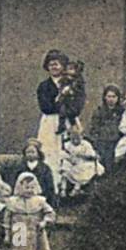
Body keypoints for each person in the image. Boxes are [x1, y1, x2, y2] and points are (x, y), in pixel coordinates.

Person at [6, 171, 55, 250]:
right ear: (19, 187)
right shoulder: (13, 202)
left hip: (35, 231)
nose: (29, 190)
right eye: (26, 187)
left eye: (32, 187)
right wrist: (7, 234)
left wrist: (44, 222)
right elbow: (7, 219)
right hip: (19, 230)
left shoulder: (39, 201)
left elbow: (50, 213)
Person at [35, 49, 70, 186]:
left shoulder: (69, 84)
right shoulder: (44, 86)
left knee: (67, 150)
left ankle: (66, 187)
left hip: (67, 119)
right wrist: (61, 102)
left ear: (63, 66)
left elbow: (76, 104)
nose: (54, 67)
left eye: (57, 64)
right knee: (49, 151)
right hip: (50, 122)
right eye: (51, 65)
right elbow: (46, 107)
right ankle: (51, 185)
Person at [87, 84, 124, 174]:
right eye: (109, 96)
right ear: (105, 97)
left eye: (114, 97)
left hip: (118, 142)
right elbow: (94, 128)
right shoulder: (99, 111)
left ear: (118, 98)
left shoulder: (122, 111)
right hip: (103, 142)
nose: (111, 99)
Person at [61, 124, 104, 196]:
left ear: (82, 136)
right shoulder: (68, 145)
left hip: (84, 162)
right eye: (73, 138)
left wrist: (83, 156)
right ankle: (63, 189)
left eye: (77, 138)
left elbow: (92, 156)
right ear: (70, 137)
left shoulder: (85, 145)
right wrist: (68, 157)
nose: (75, 140)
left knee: (85, 168)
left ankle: (76, 188)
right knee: (65, 166)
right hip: (72, 162)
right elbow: (64, 153)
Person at [18, 139, 58, 207]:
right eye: (28, 152)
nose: (30, 155)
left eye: (33, 152)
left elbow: (49, 186)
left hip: (41, 196)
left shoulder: (45, 168)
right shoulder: (20, 167)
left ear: (38, 154)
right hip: (24, 196)